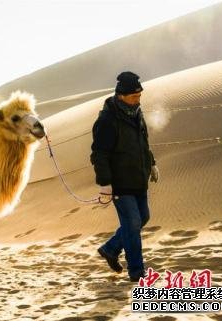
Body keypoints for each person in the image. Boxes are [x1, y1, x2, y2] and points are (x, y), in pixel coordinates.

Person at [90, 71, 159, 282]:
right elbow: (99, 154)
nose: (138, 99)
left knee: (142, 218)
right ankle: (137, 273)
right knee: (133, 222)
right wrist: (105, 183)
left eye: (139, 95)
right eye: (134, 96)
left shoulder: (137, 113)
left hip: (138, 178)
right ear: (121, 95)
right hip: (120, 183)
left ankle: (110, 249)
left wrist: (152, 163)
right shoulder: (107, 120)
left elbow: (143, 143)